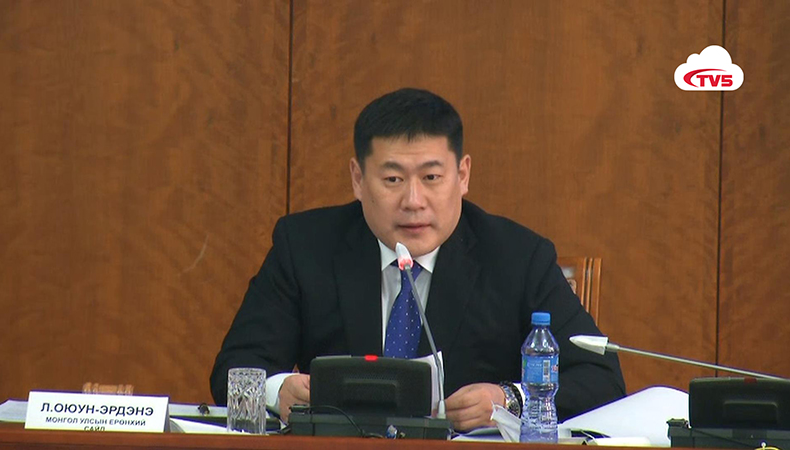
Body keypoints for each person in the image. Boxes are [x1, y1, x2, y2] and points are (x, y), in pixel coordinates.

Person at [210, 88, 625, 431]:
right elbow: (235, 368)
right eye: (392, 179)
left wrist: (510, 399)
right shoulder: (305, 246)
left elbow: (601, 379)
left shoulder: (517, 257)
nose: (413, 201)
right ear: (358, 178)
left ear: (462, 176)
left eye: (431, 178)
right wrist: (278, 390)